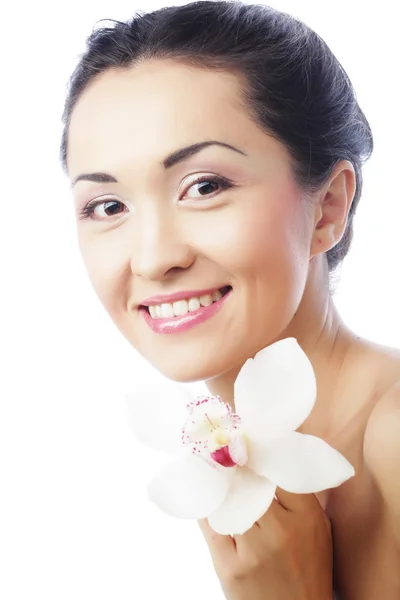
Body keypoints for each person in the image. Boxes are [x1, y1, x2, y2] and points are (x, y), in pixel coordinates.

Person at [59, 1, 400, 598]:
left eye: (204, 186)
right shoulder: (229, 472)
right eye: (108, 206)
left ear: (328, 207)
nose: (152, 258)